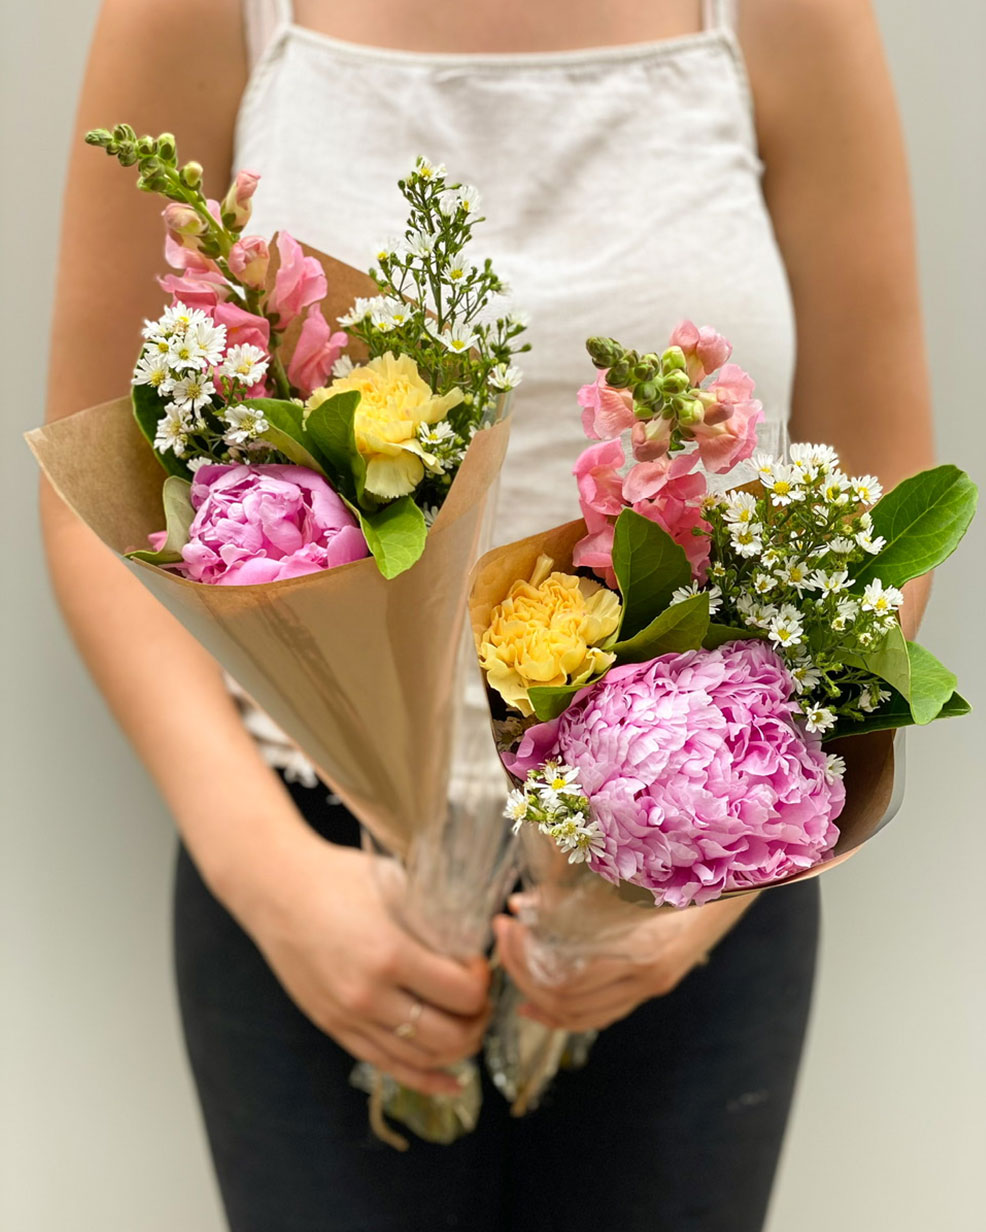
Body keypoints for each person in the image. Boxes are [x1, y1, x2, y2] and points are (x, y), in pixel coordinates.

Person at [43, 1, 934, 1228]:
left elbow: (879, 483)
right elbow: (99, 496)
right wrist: (270, 878)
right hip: (310, 873)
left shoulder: (790, 18)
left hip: (691, 869)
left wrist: (709, 887)